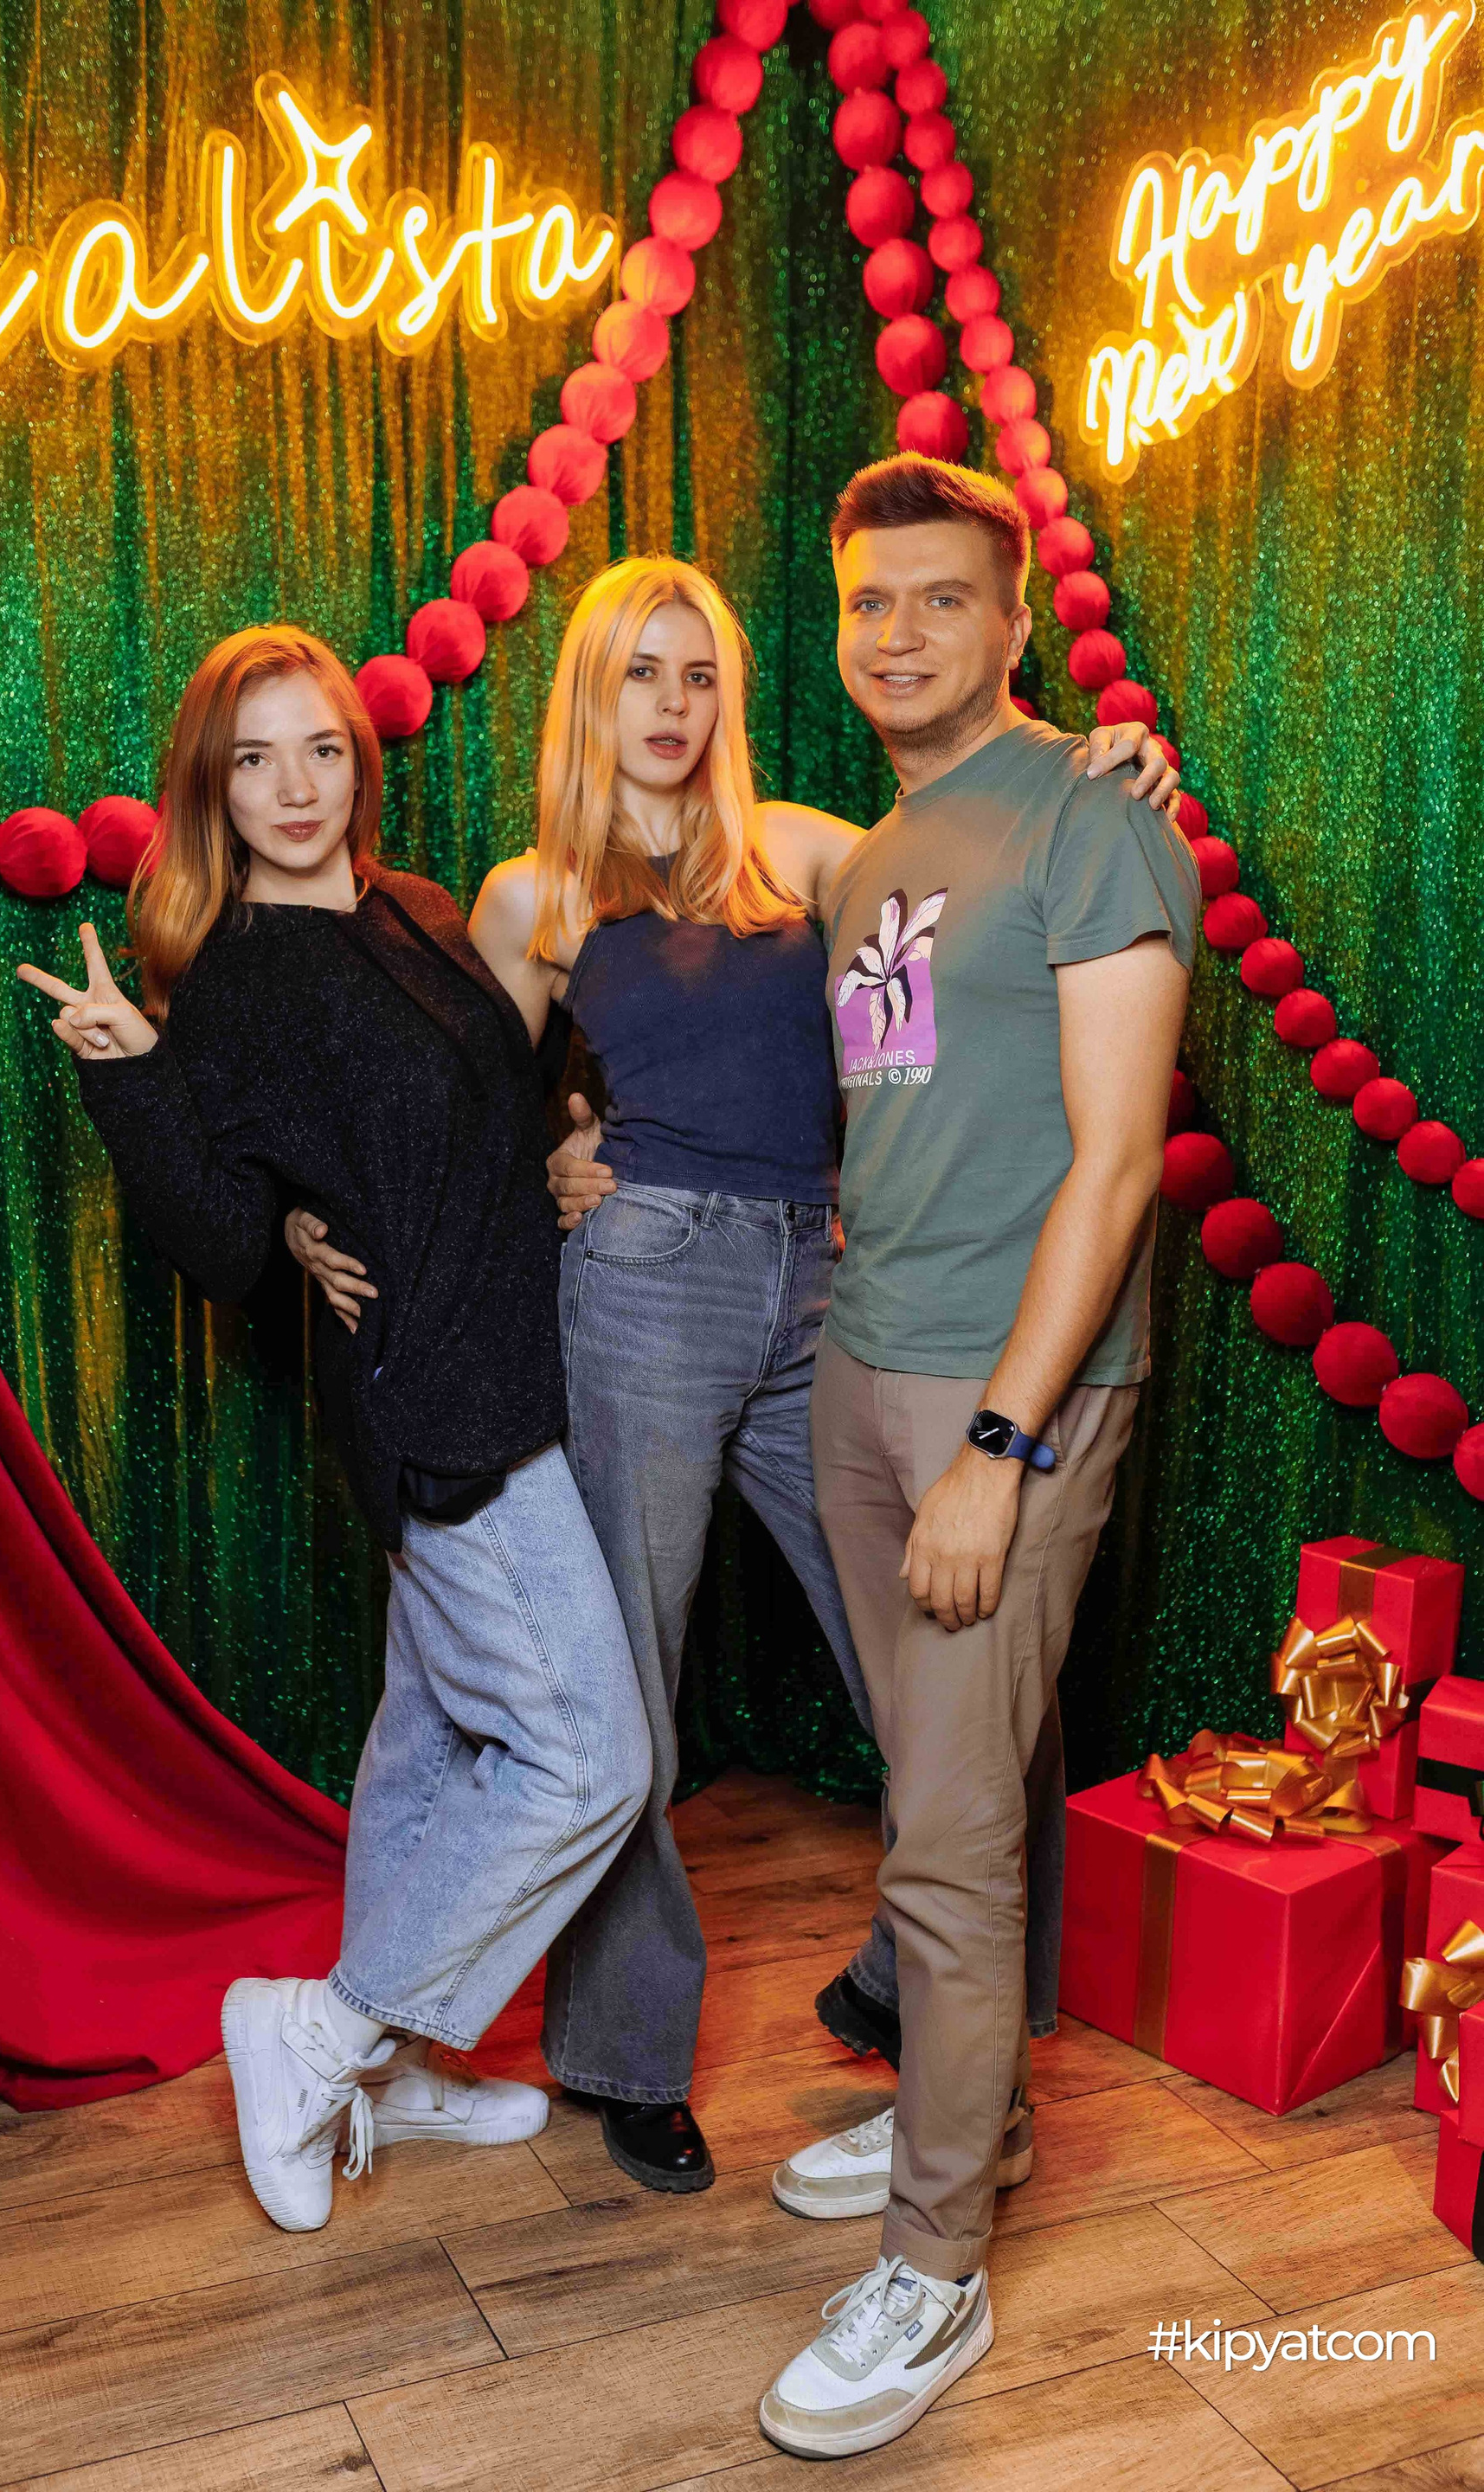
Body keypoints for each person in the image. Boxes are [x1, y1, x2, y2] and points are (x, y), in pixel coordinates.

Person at [287, 558, 1175, 2193]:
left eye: (700, 674)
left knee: (949, 1655)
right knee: (630, 1674)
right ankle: (625, 2053)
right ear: (592, 690)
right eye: (643, 672)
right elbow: (457, 1126)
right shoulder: (536, 896)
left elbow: (980, 860)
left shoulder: (807, 853)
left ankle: (919, 1987)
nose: (674, 705)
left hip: (833, 1280)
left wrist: (1101, 766)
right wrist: (457, 1178)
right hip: (646, 1285)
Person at [16, 624, 652, 2238]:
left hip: (506, 1362)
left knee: (432, 1745)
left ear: (358, 764)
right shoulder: (237, 979)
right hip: (436, 1403)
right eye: (256, 759)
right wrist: (136, 1077)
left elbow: (477, 1108)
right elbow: (231, 1250)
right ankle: (324, 2031)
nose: (296, 787)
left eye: (321, 749)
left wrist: (562, 1143)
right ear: (213, 788)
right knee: (592, 1758)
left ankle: (396, 2067)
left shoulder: (411, 908)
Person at [755, 455, 1198, 2459]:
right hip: (861, 1364)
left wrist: (1003, 1445)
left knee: (945, 1829)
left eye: (945, 597)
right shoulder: (873, 859)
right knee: (939, 1786)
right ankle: (980, 2108)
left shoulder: (1096, 816)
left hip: (995, 1395)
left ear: (1018, 622)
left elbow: (1117, 1167)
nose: (902, 633)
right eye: (872, 601)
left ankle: (935, 2267)